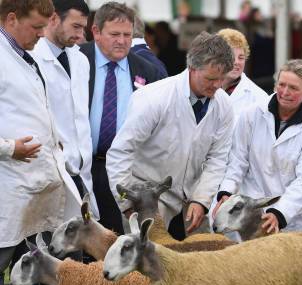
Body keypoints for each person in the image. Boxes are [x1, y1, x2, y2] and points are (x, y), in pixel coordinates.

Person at [0, 0, 84, 285]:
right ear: (11, 18)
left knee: (30, 273)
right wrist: (9, 148)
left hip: (30, 190)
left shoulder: (22, 56)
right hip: (6, 186)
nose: (40, 35)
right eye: (35, 27)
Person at [107, 32, 234, 240]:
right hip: (147, 200)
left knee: (195, 262)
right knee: (147, 264)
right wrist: (128, 204)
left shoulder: (224, 106)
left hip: (189, 202)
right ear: (192, 68)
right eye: (211, 78)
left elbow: (218, 159)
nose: (218, 85)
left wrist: (201, 199)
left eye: (222, 79)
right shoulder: (153, 98)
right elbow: (121, 152)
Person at [30, 0, 99, 285]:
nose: (81, 35)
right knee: (49, 251)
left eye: (84, 27)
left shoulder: (81, 60)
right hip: (48, 167)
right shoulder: (34, 58)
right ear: (53, 18)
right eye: (75, 26)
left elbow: (79, 116)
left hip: (78, 168)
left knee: (73, 255)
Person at [214, 59, 302, 235]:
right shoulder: (251, 115)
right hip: (251, 216)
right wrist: (226, 191)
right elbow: (237, 161)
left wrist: (279, 212)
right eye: (281, 84)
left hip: (295, 222)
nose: (285, 92)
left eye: (294, 88)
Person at [80, 2, 164, 235]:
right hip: (83, 166)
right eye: (114, 34)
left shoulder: (148, 72)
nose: (122, 41)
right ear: (96, 32)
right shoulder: (77, 61)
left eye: (127, 35)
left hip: (127, 171)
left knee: (121, 240)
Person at [217, 28, 268, 113]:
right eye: (231, 57)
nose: (236, 62)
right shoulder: (203, 88)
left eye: (241, 58)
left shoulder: (259, 97)